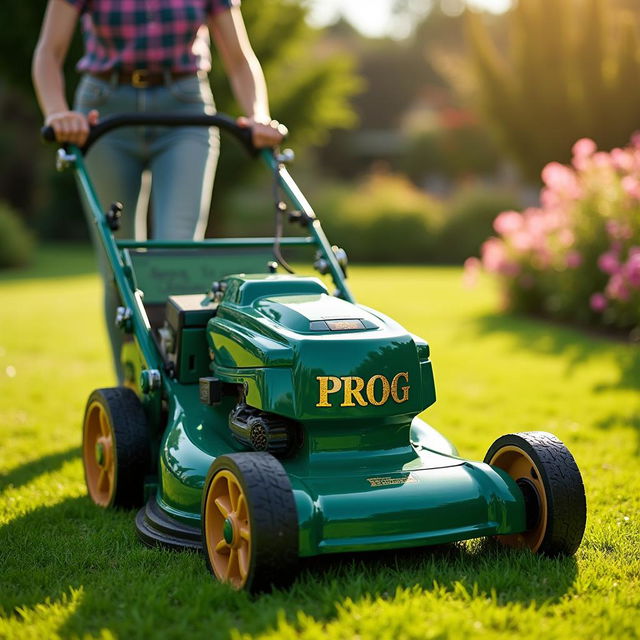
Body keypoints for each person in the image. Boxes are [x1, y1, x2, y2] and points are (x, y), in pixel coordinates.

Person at [32, 0, 285, 380]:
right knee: (119, 265)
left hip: (185, 109)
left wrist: (259, 116)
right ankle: (132, 389)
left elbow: (238, 56)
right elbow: (49, 53)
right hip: (103, 113)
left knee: (178, 258)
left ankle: (179, 386)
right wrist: (56, 112)